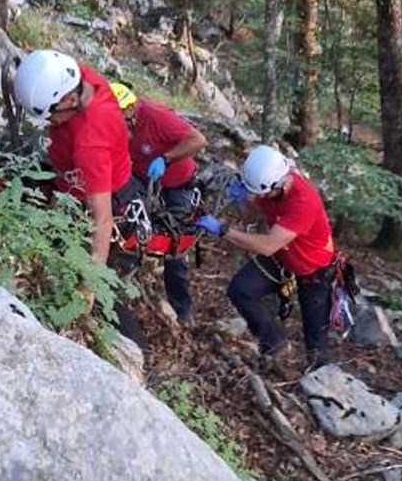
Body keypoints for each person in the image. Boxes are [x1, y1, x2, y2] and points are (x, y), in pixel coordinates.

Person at [13, 48, 147, 347]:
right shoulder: (79, 76)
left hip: (109, 205)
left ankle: (131, 352)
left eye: (51, 115)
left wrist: (89, 284)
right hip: (78, 184)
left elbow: (102, 220)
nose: (50, 122)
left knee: (102, 291)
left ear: (69, 101)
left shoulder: (91, 144)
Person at [196, 144, 338, 374]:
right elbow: (253, 216)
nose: (260, 197)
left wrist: (224, 230)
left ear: (278, 185)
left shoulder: (303, 202)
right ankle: (274, 342)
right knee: (240, 290)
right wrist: (243, 202)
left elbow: (267, 245)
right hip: (284, 258)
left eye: (262, 194)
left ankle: (321, 381)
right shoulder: (271, 186)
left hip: (313, 269)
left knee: (316, 346)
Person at [110, 81, 206, 327]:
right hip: (140, 178)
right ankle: (117, 281)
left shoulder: (155, 117)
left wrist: (166, 158)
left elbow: (197, 140)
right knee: (128, 224)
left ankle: (183, 311)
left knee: (175, 244)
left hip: (178, 182)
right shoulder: (117, 124)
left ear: (129, 109)